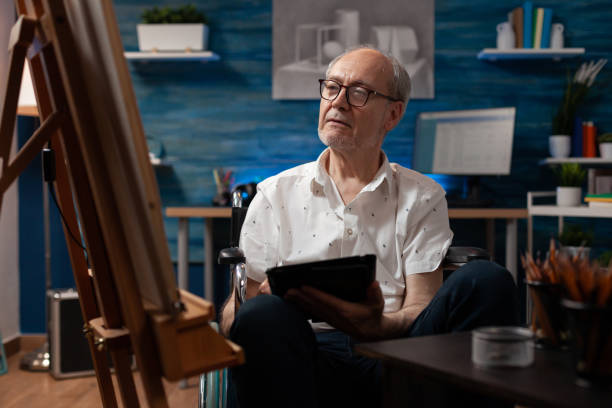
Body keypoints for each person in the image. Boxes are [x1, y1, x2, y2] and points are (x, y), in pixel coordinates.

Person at [220, 46, 518, 408]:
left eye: (359, 93)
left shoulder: (423, 196)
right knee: (261, 313)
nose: (339, 102)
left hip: (398, 357)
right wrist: (255, 307)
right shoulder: (274, 193)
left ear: (392, 114)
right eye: (331, 87)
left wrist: (376, 327)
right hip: (302, 356)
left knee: (487, 279)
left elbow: (419, 307)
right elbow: (235, 318)